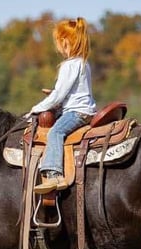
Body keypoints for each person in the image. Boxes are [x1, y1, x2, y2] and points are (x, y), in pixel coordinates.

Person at [29, 17, 97, 194]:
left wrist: (36, 108)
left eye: (58, 41)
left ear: (65, 41)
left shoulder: (69, 65)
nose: (57, 46)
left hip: (76, 112)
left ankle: (54, 174)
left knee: (55, 132)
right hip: (86, 111)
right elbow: (72, 92)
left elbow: (59, 96)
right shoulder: (83, 63)